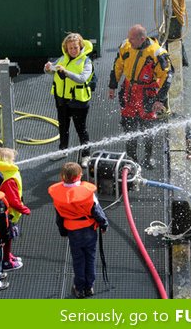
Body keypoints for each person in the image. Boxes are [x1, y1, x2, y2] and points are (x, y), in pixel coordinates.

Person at [108, 24, 173, 169]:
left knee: (147, 129)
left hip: (147, 94)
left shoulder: (157, 53)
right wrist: (112, 85)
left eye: (132, 38)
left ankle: (148, 157)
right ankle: (132, 158)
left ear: (142, 38)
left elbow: (167, 76)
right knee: (129, 127)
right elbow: (117, 65)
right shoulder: (125, 46)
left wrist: (159, 99)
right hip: (129, 91)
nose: (128, 41)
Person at [48, 162, 108, 299]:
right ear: (79, 175)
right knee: (90, 258)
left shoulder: (58, 195)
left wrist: (63, 231)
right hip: (89, 230)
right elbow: (97, 212)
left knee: (78, 260)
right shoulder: (88, 193)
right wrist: (104, 225)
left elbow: (59, 217)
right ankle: (89, 286)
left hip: (73, 232)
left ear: (62, 177)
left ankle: (79, 287)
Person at [44, 32, 95, 168]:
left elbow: (82, 78)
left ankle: (85, 155)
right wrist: (48, 68)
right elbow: (53, 70)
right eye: (70, 48)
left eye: (75, 48)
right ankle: (63, 150)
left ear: (81, 47)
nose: (73, 50)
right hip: (61, 100)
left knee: (81, 129)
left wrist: (66, 72)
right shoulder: (62, 58)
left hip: (78, 101)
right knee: (63, 127)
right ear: (66, 48)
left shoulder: (86, 61)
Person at [0, 147, 30, 271]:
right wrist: (24, 209)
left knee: (4, 237)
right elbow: (13, 200)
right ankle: (6, 261)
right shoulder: (9, 179)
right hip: (7, 213)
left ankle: (7, 255)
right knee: (7, 237)